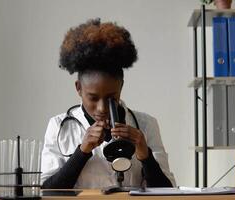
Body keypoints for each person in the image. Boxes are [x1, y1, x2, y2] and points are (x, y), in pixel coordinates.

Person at [41, 18, 175, 189]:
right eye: (93, 98)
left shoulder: (146, 125)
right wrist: (82, 152)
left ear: (121, 87)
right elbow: (46, 192)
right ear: (78, 88)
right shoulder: (58, 126)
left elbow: (168, 192)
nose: (102, 108)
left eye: (111, 97)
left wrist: (145, 155)